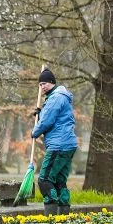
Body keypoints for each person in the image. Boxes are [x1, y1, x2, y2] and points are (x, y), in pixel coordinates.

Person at [32, 67, 78, 215]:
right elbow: (54, 117)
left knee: (44, 180)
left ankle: (50, 217)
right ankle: (63, 218)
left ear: (52, 82)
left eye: (45, 83)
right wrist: (41, 113)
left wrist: (34, 132)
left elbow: (47, 121)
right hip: (68, 144)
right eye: (40, 85)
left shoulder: (56, 97)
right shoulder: (59, 96)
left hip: (59, 145)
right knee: (59, 181)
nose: (42, 87)